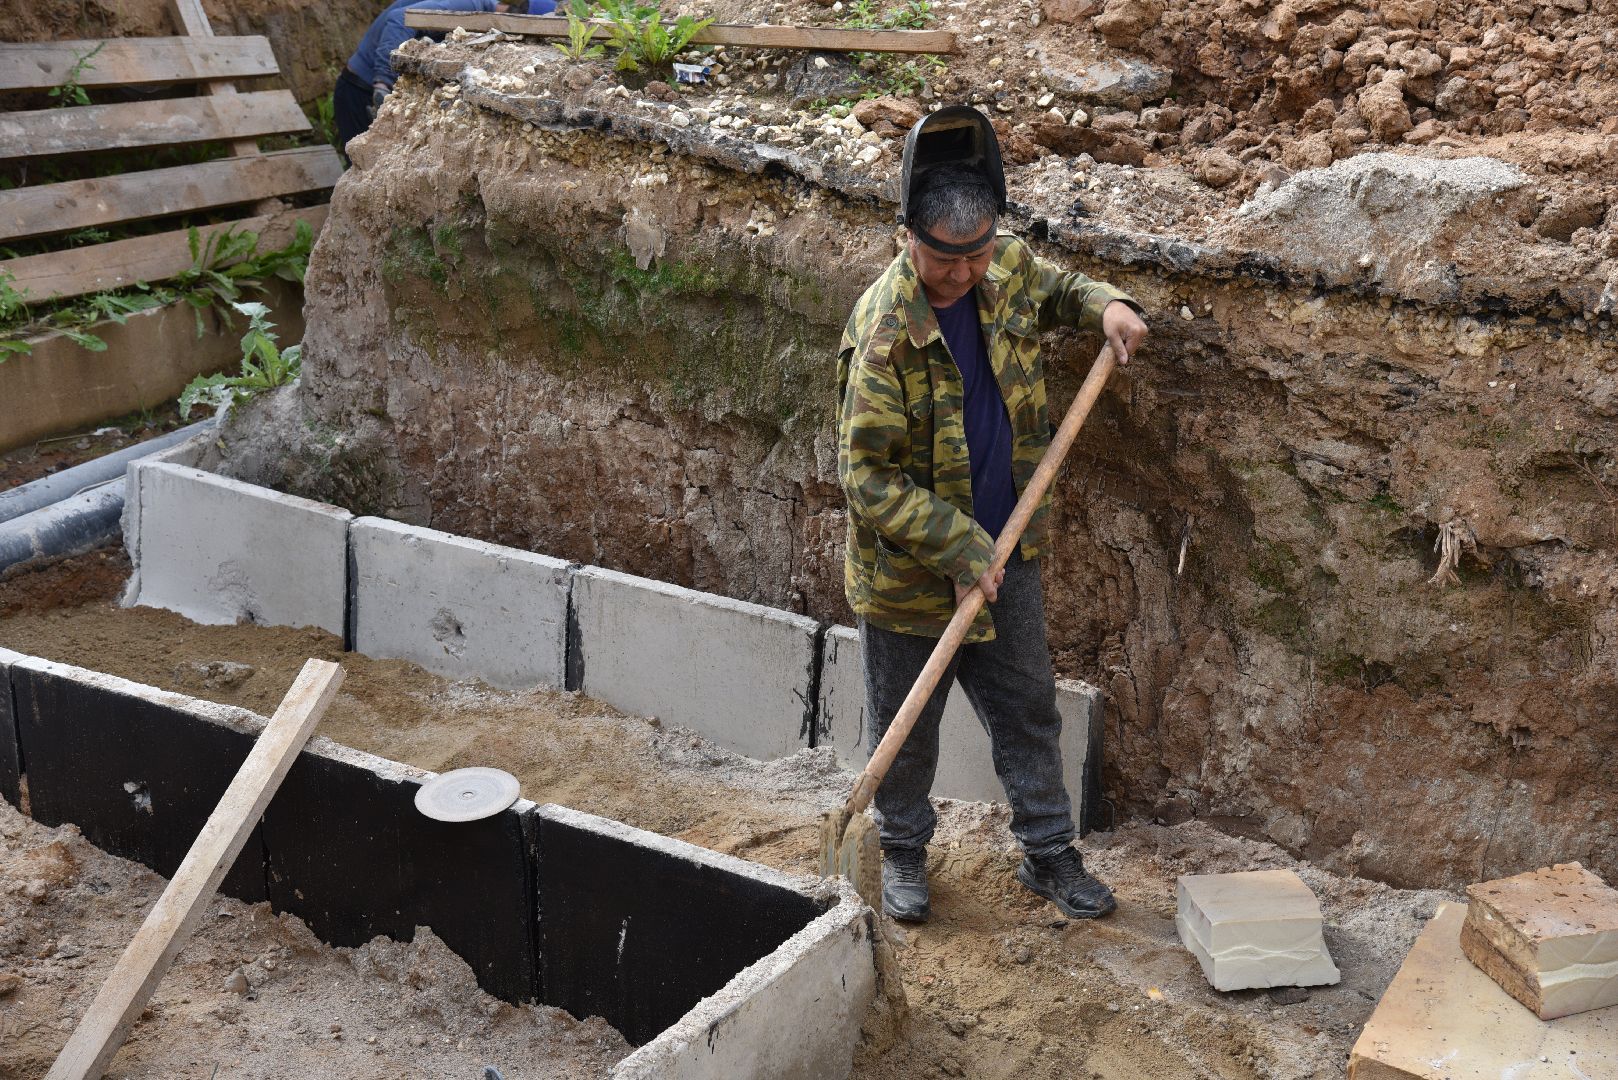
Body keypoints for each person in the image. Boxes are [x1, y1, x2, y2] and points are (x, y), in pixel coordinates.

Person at [836, 106, 1149, 923]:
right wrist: (960, 547)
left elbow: (1062, 291)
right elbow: (866, 479)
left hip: (1008, 553)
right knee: (907, 731)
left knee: (1027, 710)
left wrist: (1107, 305)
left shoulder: (1003, 267)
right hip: (910, 577)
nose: (962, 274)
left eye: (975, 255)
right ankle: (903, 852)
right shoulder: (884, 335)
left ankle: (1049, 854)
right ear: (908, 237)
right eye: (945, 259)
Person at [333, 0, 554, 152]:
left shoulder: (481, 20)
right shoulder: (469, 7)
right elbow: (399, 18)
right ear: (517, 17)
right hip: (359, 91)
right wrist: (383, 82)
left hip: (371, 90)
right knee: (363, 171)